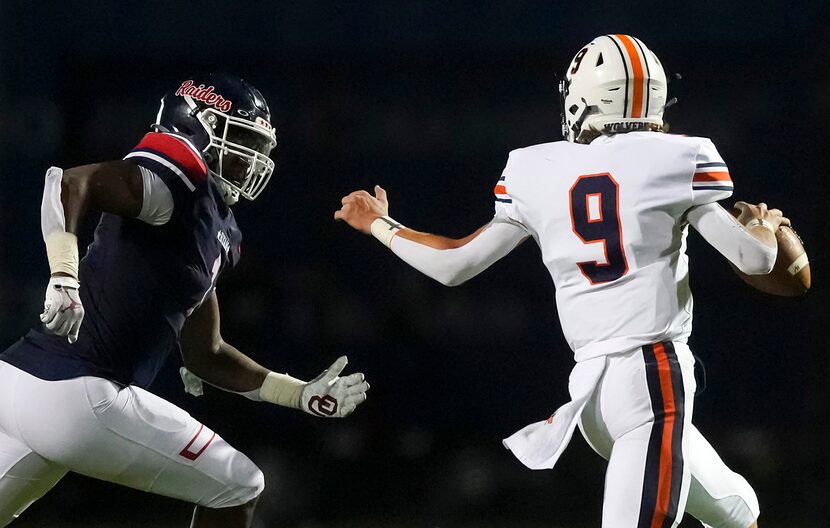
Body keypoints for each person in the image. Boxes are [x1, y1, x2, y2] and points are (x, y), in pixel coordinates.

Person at [335, 35, 784, 528]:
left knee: (734, 509)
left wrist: (380, 224)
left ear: (582, 98)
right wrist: (765, 222)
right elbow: (757, 258)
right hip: (653, 378)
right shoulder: (676, 157)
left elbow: (455, 265)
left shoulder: (536, 168)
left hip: (589, 395)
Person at [0, 73, 369, 528]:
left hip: (17, 385)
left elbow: (205, 354)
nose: (252, 161)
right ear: (202, 126)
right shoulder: (178, 176)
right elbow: (69, 182)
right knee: (240, 484)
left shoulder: (216, 227)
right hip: (81, 394)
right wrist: (63, 272)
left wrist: (299, 394)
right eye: (243, 141)